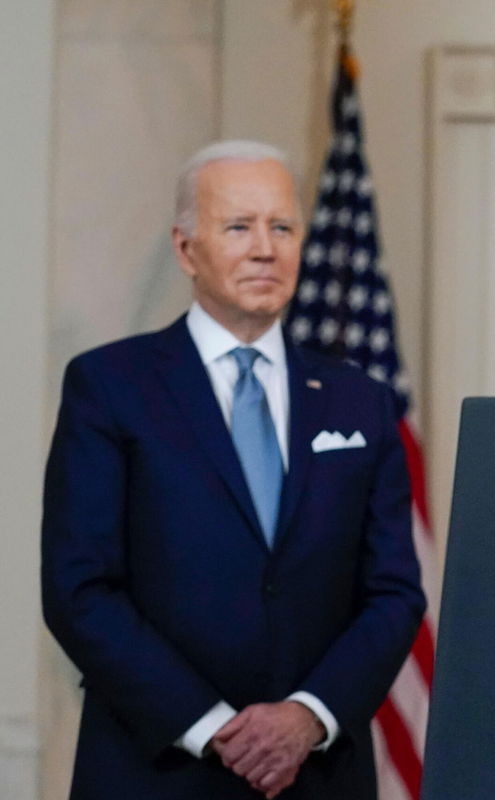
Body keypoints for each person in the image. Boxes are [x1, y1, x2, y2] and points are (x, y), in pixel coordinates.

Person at [41, 140, 426, 799]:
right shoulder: (108, 386)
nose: (265, 248)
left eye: (282, 227)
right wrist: (217, 728)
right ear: (186, 247)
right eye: (238, 226)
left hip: (318, 774)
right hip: (157, 767)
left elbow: (393, 593)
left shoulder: (360, 400)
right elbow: (80, 589)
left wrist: (308, 716)